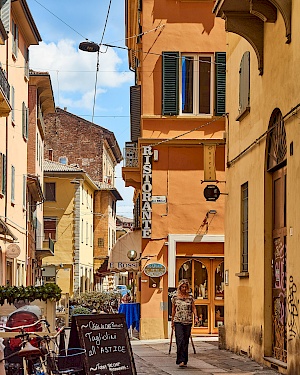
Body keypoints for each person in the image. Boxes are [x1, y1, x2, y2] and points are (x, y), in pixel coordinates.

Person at [171, 279, 198, 368]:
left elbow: (193, 308)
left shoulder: (190, 297)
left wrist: (196, 317)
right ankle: (180, 360)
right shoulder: (175, 297)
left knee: (186, 341)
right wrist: (172, 321)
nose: (183, 288)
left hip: (188, 321)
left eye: (185, 287)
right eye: (182, 287)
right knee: (180, 340)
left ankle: (184, 360)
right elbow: (173, 309)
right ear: (179, 287)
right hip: (178, 321)